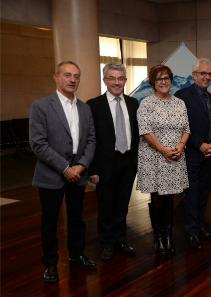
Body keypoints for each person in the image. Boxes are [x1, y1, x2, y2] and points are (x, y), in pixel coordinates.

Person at [29, 61, 96, 283]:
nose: (72, 79)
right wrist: (65, 168)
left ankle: (76, 255)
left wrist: (81, 166)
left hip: (78, 175)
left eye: (76, 76)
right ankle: (50, 264)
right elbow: (38, 144)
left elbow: (91, 141)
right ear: (56, 77)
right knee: (49, 222)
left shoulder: (85, 108)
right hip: (51, 176)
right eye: (67, 75)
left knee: (77, 219)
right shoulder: (41, 106)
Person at [88, 62, 139, 260]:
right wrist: (92, 168)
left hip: (128, 162)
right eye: (112, 78)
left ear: (125, 80)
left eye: (120, 78)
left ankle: (121, 239)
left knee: (122, 204)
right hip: (104, 165)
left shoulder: (133, 103)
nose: (116, 82)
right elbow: (90, 139)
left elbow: (136, 135)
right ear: (105, 80)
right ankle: (107, 243)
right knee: (105, 205)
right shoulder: (93, 105)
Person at [137, 64, 190, 255]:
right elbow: (145, 131)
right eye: (159, 79)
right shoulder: (146, 103)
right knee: (158, 197)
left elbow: (186, 129)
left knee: (170, 199)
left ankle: (168, 234)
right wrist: (163, 150)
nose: (164, 82)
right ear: (153, 82)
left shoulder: (179, 103)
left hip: (175, 156)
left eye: (167, 78)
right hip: (154, 157)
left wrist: (181, 146)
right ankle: (158, 237)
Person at [174, 58, 211, 249]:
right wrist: (200, 144)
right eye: (203, 73)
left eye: (210, 74)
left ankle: (200, 226)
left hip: (208, 154)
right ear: (194, 75)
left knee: (202, 193)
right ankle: (191, 232)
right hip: (191, 154)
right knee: (191, 195)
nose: (207, 77)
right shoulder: (182, 96)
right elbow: (181, 127)